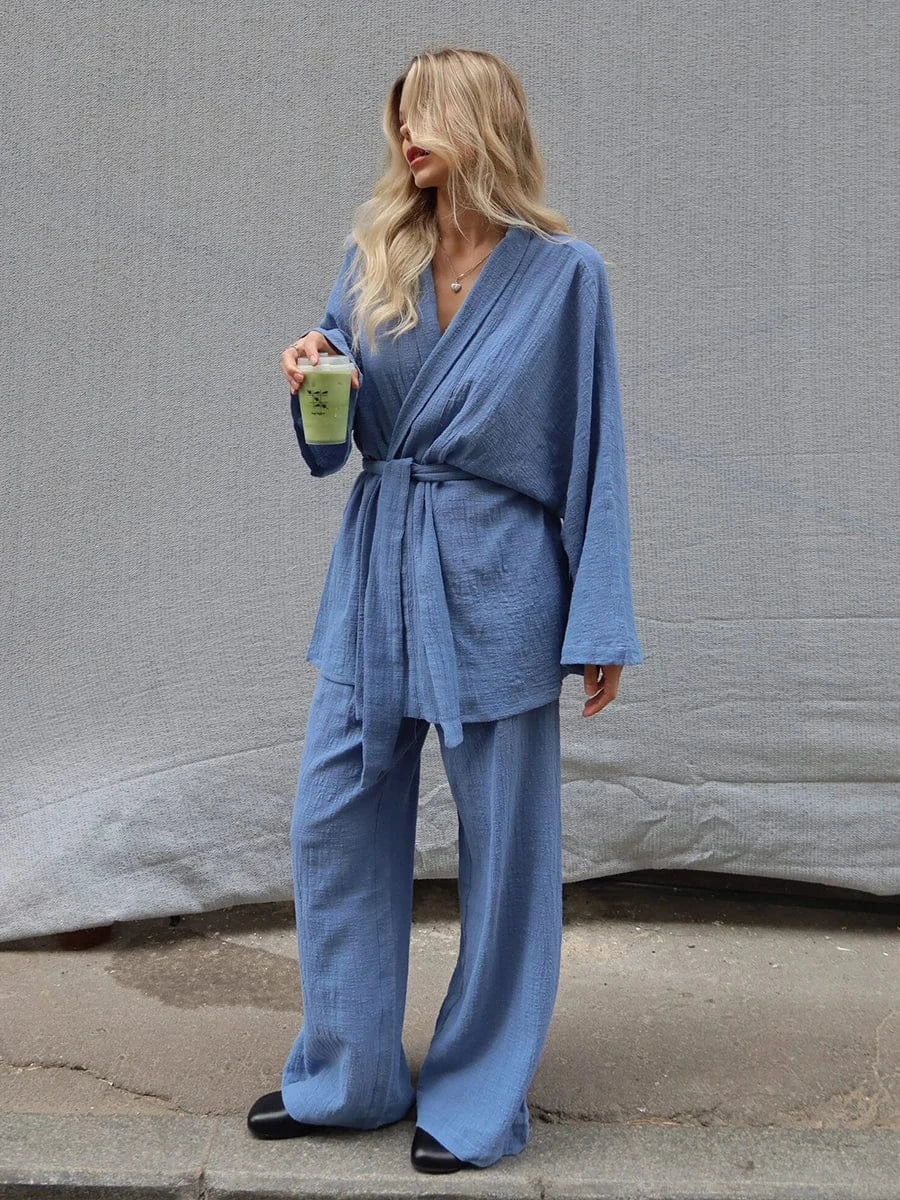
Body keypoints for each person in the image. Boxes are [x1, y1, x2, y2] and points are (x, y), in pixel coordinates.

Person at [247, 46, 644, 1173]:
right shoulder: (376, 256)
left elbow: (595, 451)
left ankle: (475, 1097)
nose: (407, 136)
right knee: (333, 820)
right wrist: (312, 379)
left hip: (502, 582)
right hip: (379, 568)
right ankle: (350, 1077)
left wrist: (599, 620)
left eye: (428, 115)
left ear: (483, 124)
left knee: (507, 857)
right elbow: (334, 447)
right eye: (400, 118)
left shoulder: (567, 277)